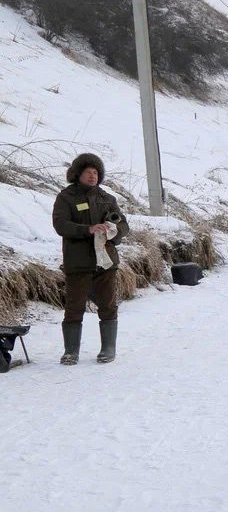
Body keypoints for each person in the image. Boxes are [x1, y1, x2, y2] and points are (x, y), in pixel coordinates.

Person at [51, 153, 129, 365]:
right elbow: (61, 225)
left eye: (95, 172)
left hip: (106, 262)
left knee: (108, 306)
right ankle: (71, 351)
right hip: (78, 263)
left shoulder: (107, 198)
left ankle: (108, 349)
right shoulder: (66, 197)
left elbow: (124, 226)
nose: (92, 176)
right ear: (77, 174)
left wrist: (113, 231)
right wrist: (88, 229)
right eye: (88, 172)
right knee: (74, 308)